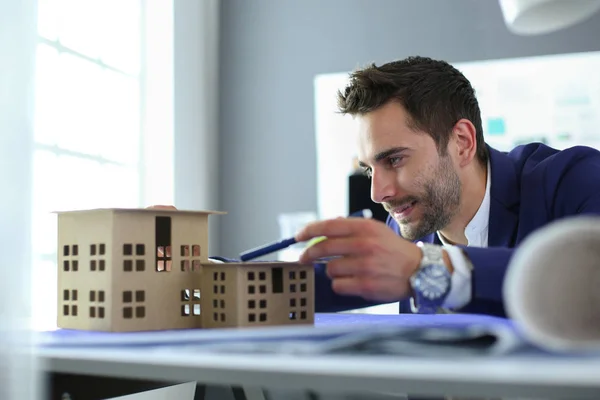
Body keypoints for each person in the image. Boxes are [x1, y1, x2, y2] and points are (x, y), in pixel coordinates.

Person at [294, 55, 600, 318]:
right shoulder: (410, 220)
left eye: (395, 160)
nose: (378, 193)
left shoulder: (574, 180)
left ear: (462, 143)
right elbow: (338, 282)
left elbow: (585, 280)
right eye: (369, 169)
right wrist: (255, 283)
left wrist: (428, 268)